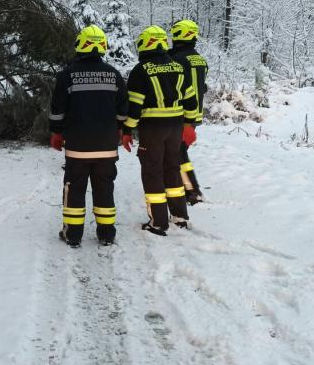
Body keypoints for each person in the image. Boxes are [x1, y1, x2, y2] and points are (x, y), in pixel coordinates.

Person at [49, 25, 128, 247]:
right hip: (107, 145)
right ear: (102, 46)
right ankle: (106, 234)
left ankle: (73, 234)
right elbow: (124, 110)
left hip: (77, 146)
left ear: (80, 45)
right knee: (104, 188)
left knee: (74, 188)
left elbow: (57, 110)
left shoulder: (67, 76)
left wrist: (56, 133)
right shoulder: (113, 74)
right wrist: (121, 130)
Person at [121, 25, 198, 235]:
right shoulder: (178, 66)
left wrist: (127, 130)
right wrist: (189, 125)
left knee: (152, 171)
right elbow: (191, 99)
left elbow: (135, 105)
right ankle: (180, 216)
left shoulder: (140, 70)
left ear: (145, 44)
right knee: (173, 168)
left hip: (152, 128)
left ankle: (158, 222)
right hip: (175, 126)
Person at [169, 19, 209, 205]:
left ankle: (191, 190)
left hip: (181, 114)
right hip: (196, 114)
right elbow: (203, 85)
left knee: (178, 154)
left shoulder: (177, 60)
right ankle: (185, 188)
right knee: (179, 152)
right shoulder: (200, 59)